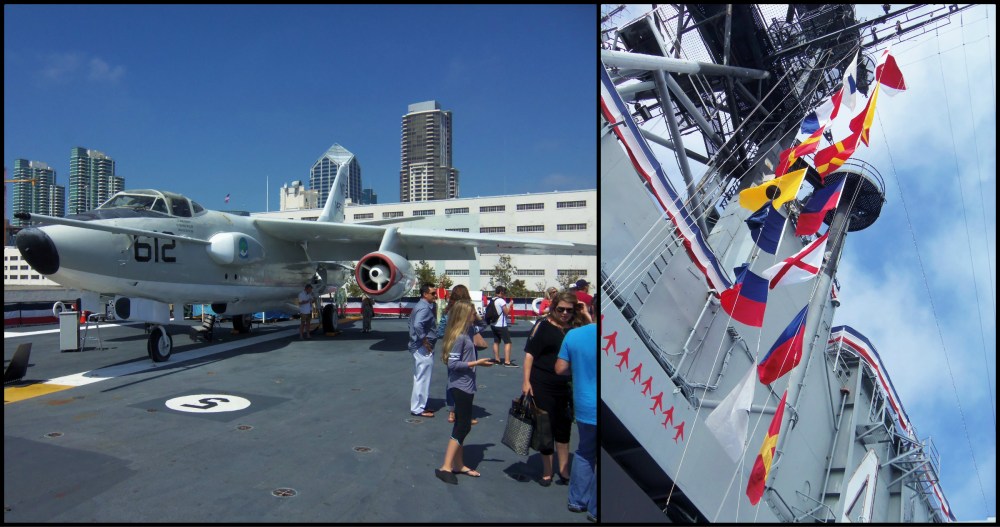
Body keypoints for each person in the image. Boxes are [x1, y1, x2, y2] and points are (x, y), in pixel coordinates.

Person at [523, 291, 589, 487]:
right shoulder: (543, 326)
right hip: (542, 383)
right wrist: (526, 382)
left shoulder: (576, 328)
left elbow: (594, 335)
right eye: (561, 309)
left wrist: (585, 314)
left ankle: (564, 470)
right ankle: (547, 470)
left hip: (567, 385)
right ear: (553, 308)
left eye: (569, 310)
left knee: (563, 427)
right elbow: (529, 355)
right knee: (545, 428)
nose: (565, 314)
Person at [434, 300, 494, 485]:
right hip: (459, 386)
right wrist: (477, 363)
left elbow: (484, 324)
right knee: (463, 426)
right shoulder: (460, 336)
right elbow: (452, 364)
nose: (475, 314)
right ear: (464, 315)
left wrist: (476, 315)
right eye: (472, 312)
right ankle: (446, 466)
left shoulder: (469, 330)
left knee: (461, 424)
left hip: (467, 384)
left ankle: (458, 464)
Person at [556, 321, 597, 522]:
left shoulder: (574, 335)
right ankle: (595, 510)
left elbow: (560, 368)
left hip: (584, 403)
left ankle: (577, 501)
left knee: (585, 451)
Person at [437, 284, 486, 425]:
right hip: (467, 348)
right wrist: (475, 316)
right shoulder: (468, 313)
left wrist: (449, 336)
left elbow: (441, 331)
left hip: (451, 346)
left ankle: (452, 411)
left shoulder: (449, 311)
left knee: (452, 379)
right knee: (467, 378)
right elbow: (483, 325)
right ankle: (464, 413)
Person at [409, 283, 438, 418]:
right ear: (425, 294)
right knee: (423, 378)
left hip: (418, 346)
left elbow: (410, 323)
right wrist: (424, 341)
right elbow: (417, 325)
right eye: (433, 293)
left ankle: (420, 405)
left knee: (420, 377)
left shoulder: (419, 306)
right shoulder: (424, 308)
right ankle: (418, 408)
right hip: (422, 347)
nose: (435, 295)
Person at [489, 285, 516, 367]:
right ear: (501, 292)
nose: (505, 294)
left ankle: (497, 359)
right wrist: (510, 305)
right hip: (501, 324)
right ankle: (507, 362)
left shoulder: (492, 300)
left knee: (496, 341)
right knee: (508, 342)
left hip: (493, 324)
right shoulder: (501, 301)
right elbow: (506, 312)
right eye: (504, 292)